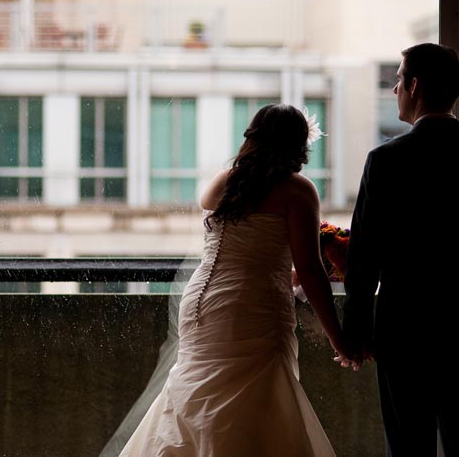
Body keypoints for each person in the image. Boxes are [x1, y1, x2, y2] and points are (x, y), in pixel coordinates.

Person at [119, 104, 350, 456]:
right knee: (253, 405)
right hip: (250, 310)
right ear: (298, 144)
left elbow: (247, 257)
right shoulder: (298, 191)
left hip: (200, 305)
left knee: (197, 398)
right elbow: (309, 271)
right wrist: (340, 339)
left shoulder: (223, 183)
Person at [341, 43, 459, 455]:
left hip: (404, 332)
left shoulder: (385, 161)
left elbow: (363, 258)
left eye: (397, 80)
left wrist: (355, 329)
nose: (394, 90)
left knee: (408, 449)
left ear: (415, 85)